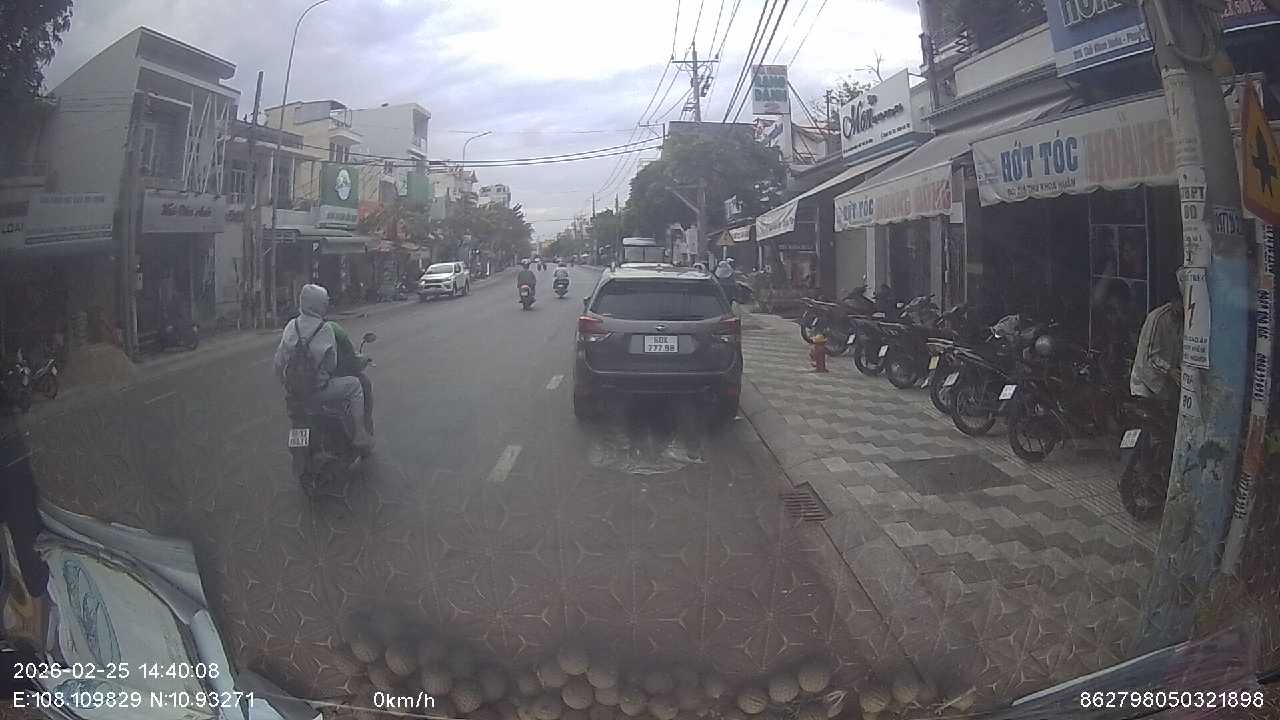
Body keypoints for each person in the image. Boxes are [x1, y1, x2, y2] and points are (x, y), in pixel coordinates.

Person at [273, 284, 373, 454]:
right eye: (324, 303)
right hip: (318, 390)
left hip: (295, 394)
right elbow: (331, 364)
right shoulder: (324, 328)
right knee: (355, 386)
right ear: (318, 305)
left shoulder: (291, 326)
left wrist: (288, 384)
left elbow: (278, 362)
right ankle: (360, 435)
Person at [1131, 277, 1185, 406]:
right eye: (1181, 303)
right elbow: (1150, 356)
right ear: (1174, 301)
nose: (1184, 307)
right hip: (1145, 383)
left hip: (1165, 386)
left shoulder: (1184, 321)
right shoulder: (1157, 318)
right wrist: (1169, 370)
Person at [328, 320, 374, 434]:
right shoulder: (332, 328)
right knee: (363, 383)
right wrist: (364, 359)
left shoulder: (292, 329)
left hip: (299, 389)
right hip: (326, 384)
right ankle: (363, 431)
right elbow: (351, 360)